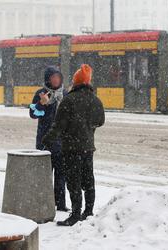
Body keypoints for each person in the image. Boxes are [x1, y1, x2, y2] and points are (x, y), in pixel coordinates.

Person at [42, 64, 105, 226]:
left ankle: (75, 214)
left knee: (73, 182)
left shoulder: (69, 100)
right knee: (88, 180)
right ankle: (89, 212)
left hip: (71, 148)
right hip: (88, 148)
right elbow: (101, 121)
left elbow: (58, 126)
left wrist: (47, 140)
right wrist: (87, 128)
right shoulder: (95, 99)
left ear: (76, 82)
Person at [29, 66, 68, 212]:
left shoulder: (65, 94)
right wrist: (41, 104)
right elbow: (33, 114)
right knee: (44, 175)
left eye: (58, 77)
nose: (56, 80)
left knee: (61, 175)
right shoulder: (41, 93)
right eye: (53, 77)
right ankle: (42, 203)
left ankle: (60, 204)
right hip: (45, 141)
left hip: (61, 142)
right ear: (48, 79)